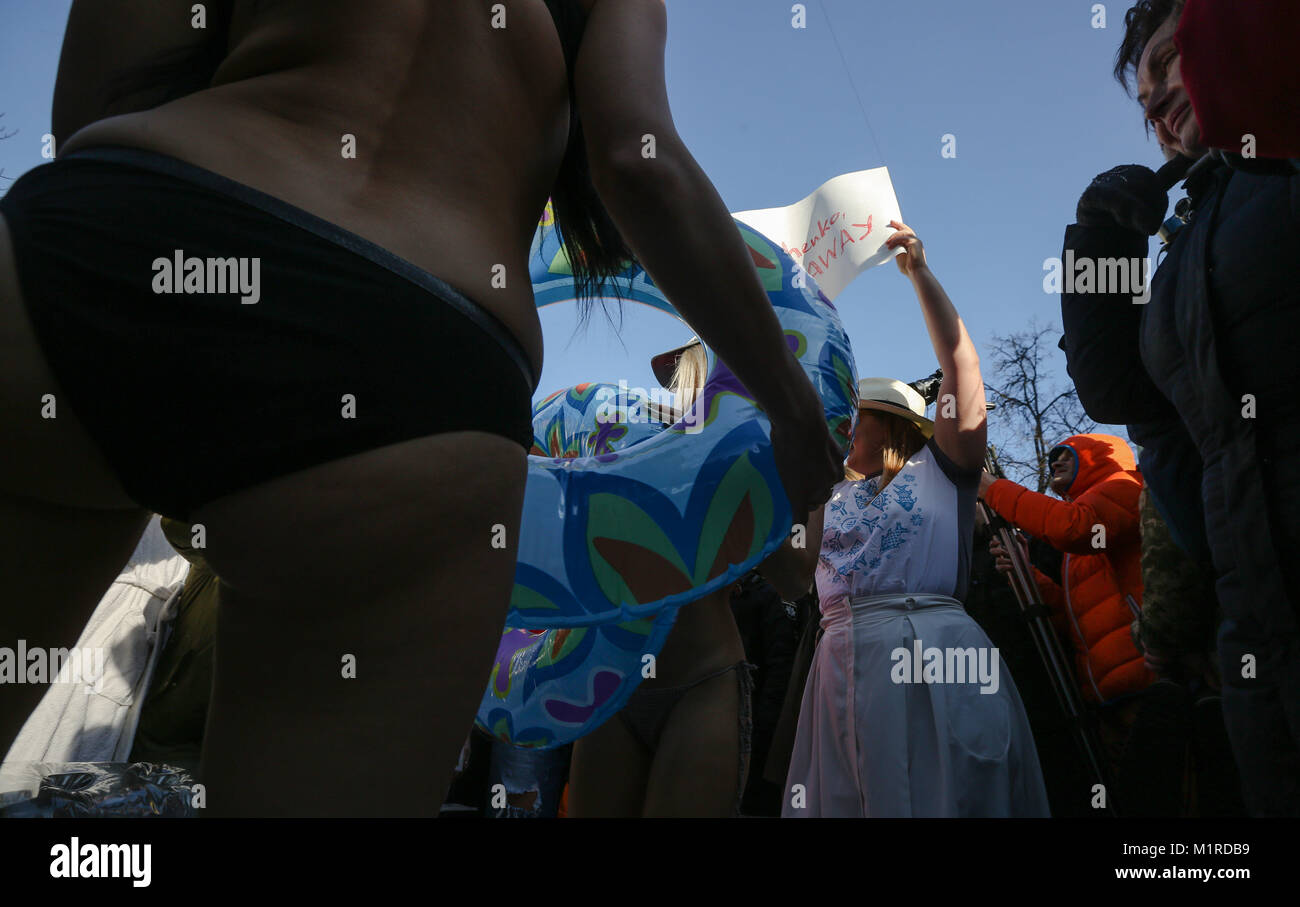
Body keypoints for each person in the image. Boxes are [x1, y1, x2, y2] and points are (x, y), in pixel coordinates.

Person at [0, 0, 842, 816]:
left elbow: (94, 102)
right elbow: (637, 161)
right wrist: (794, 410)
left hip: (101, 237)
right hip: (410, 345)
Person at [1062, 0, 1300, 814]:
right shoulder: (1179, 247)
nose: (1156, 98)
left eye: (1171, 60)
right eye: (1143, 93)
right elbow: (1122, 394)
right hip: (1255, 635)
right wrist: (1100, 243)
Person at [778, 223, 1049, 817]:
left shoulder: (943, 468)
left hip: (934, 650)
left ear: (894, 425)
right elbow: (793, 573)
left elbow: (961, 370)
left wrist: (920, 276)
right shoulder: (824, 488)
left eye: (858, 414)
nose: (844, 423)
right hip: (840, 662)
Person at [567, 340, 755, 817]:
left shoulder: (747, 455)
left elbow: (796, 575)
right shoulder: (622, 448)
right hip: (612, 683)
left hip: (699, 682)